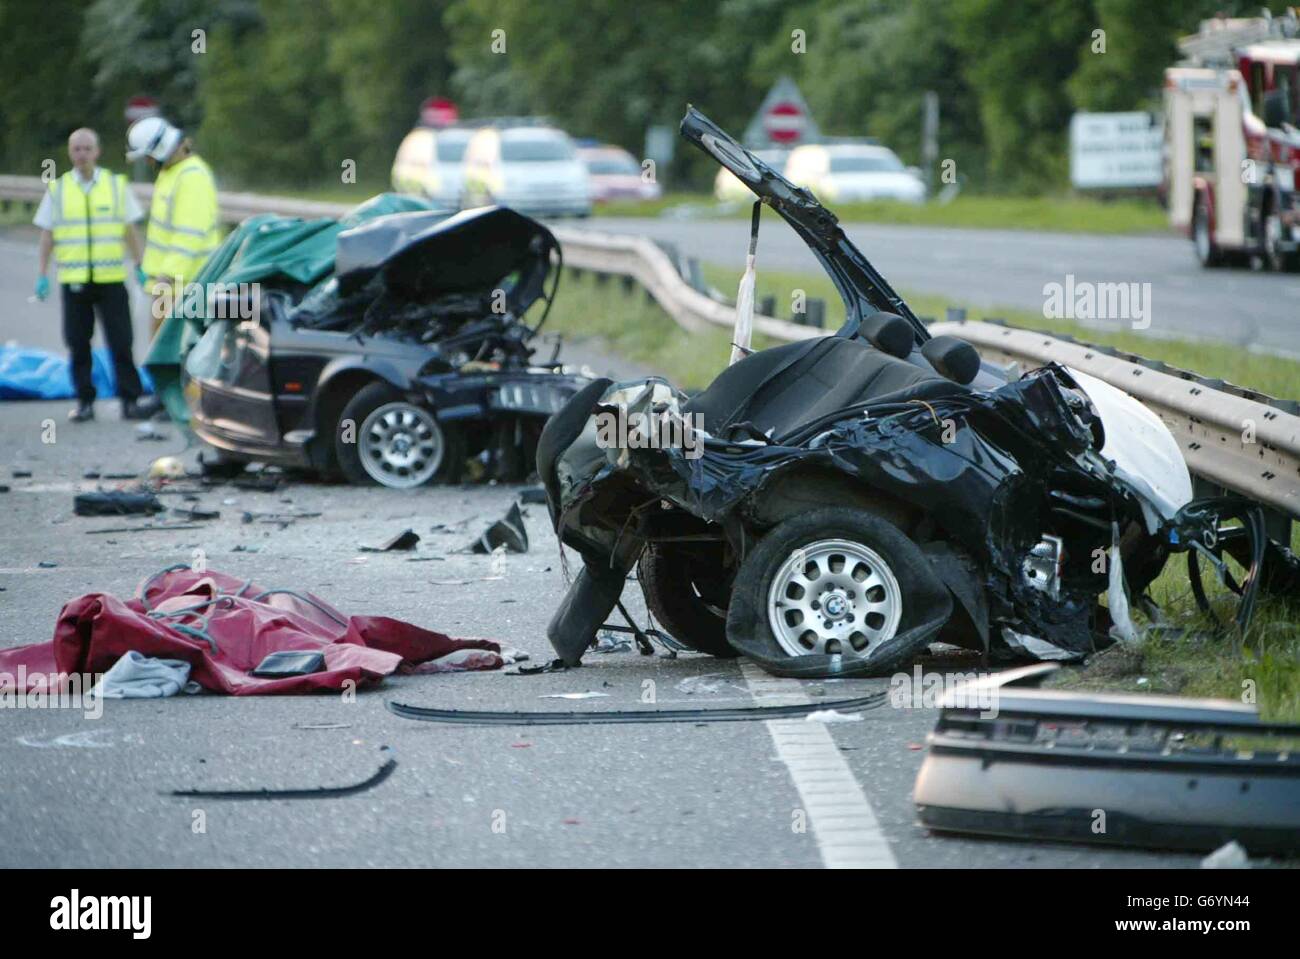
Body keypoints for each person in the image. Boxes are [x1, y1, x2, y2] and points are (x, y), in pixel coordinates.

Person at [33, 127, 156, 422]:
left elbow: (130, 230)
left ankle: (130, 400)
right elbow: (47, 234)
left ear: (97, 152)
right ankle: (85, 401)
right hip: (74, 281)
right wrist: (42, 273)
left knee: (121, 341)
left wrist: (140, 265)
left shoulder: (115, 186)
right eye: (76, 149)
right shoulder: (58, 189)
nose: (82, 154)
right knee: (77, 342)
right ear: (69, 153)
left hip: (111, 279)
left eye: (87, 148)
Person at [124, 115, 220, 335]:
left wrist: (167, 277)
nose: (147, 163)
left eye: (147, 157)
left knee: (167, 358)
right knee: (160, 356)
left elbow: (189, 236)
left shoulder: (192, 178)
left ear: (159, 150)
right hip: (173, 286)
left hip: (186, 287)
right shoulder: (171, 173)